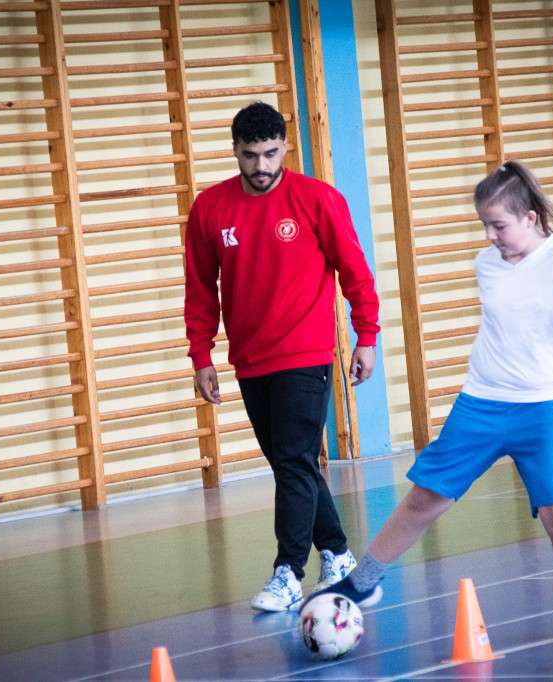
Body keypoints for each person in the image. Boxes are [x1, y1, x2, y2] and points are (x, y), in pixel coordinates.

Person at [304, 160, 553, 644]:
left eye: (500, 225)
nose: (491, 236)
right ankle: (363, 583)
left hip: (547, 407)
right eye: (485, 225)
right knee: (426, 495)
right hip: (482, 401)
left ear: (529, 218)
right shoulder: (487, 263)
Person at [183, 101, 381, 612]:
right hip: (250, 359)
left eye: (271, 153)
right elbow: (201, 290)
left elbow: (356, 273)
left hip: (306, 351)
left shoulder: (318, 200)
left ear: (285, 147)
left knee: (293, 459)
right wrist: (200, 354)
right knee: (289, 462)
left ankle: (288, 573)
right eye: (251, 156)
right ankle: (337, 554)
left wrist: (367, 336)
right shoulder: (209, 209)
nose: (262, 167)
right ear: (235, 152)